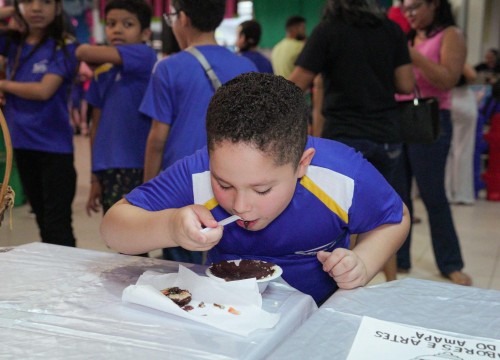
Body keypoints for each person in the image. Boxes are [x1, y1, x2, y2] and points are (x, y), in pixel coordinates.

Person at [101, 72, 410, 305]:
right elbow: (113, 229)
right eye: (224, 184)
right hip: (225, 313)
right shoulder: (200, 172)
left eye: (262, 190)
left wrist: (364, 262)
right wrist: (169, 227)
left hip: (319, 318)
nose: (241, 206)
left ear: (302, 164)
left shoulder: (341, 173)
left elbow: (395, 218)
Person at [288, 0, 414, 281]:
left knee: (346, 218)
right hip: (386, 135)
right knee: (386, 214)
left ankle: (349, 287)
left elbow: (296, 82)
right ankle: (389, 284)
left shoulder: (328, 31)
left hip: (343, 137)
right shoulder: (392, 30)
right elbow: (406, 84)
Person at [139, 0, 256, 264]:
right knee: (228, 258)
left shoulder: (168, 68)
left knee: (182, 263)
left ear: (183, 18)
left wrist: (149, 189)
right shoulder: (246, 66)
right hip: (233, 182)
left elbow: (157, 139)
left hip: (182, 182)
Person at [394, 0, 471, 285]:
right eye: (406, 9)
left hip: (432, 118)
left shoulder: (451, 34)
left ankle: (450, 262)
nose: (409, 14)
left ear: (434, 4)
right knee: (399, 197)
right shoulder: (410, 37)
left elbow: (448, 79)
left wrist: (413, 56)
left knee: (432, 194)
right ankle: (399, 259)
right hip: (401, 117)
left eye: (414, 7)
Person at [0, 0, 79, 247]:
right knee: (43, 223)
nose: (36, 8)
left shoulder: (65, 45)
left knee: (57, 225)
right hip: (22, 144)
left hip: (54, 148)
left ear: (58, 7)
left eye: (45, 2)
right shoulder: (13, 41)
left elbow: (44, 90)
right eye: (28, 1)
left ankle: (67, 280)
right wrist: (13, 10)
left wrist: (2, 85)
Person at [75, 0, 156, 218]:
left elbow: (83, 52)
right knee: (115, 233)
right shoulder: (103, 71)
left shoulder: (144, 55)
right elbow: (96, 126)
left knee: (138, 234)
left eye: (127, 24)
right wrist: (94, 177)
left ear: (145, 33)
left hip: (138, 164)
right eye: (110, 24)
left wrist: (85, 50)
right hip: (107, 166)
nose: (117, 29)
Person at [445, 63, 478, 205]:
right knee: (464, 150)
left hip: (447, 99)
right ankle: (462, 193)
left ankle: (446, 191)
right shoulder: (454, 52)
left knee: (447, 151)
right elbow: (472, 76)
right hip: (463, 101)